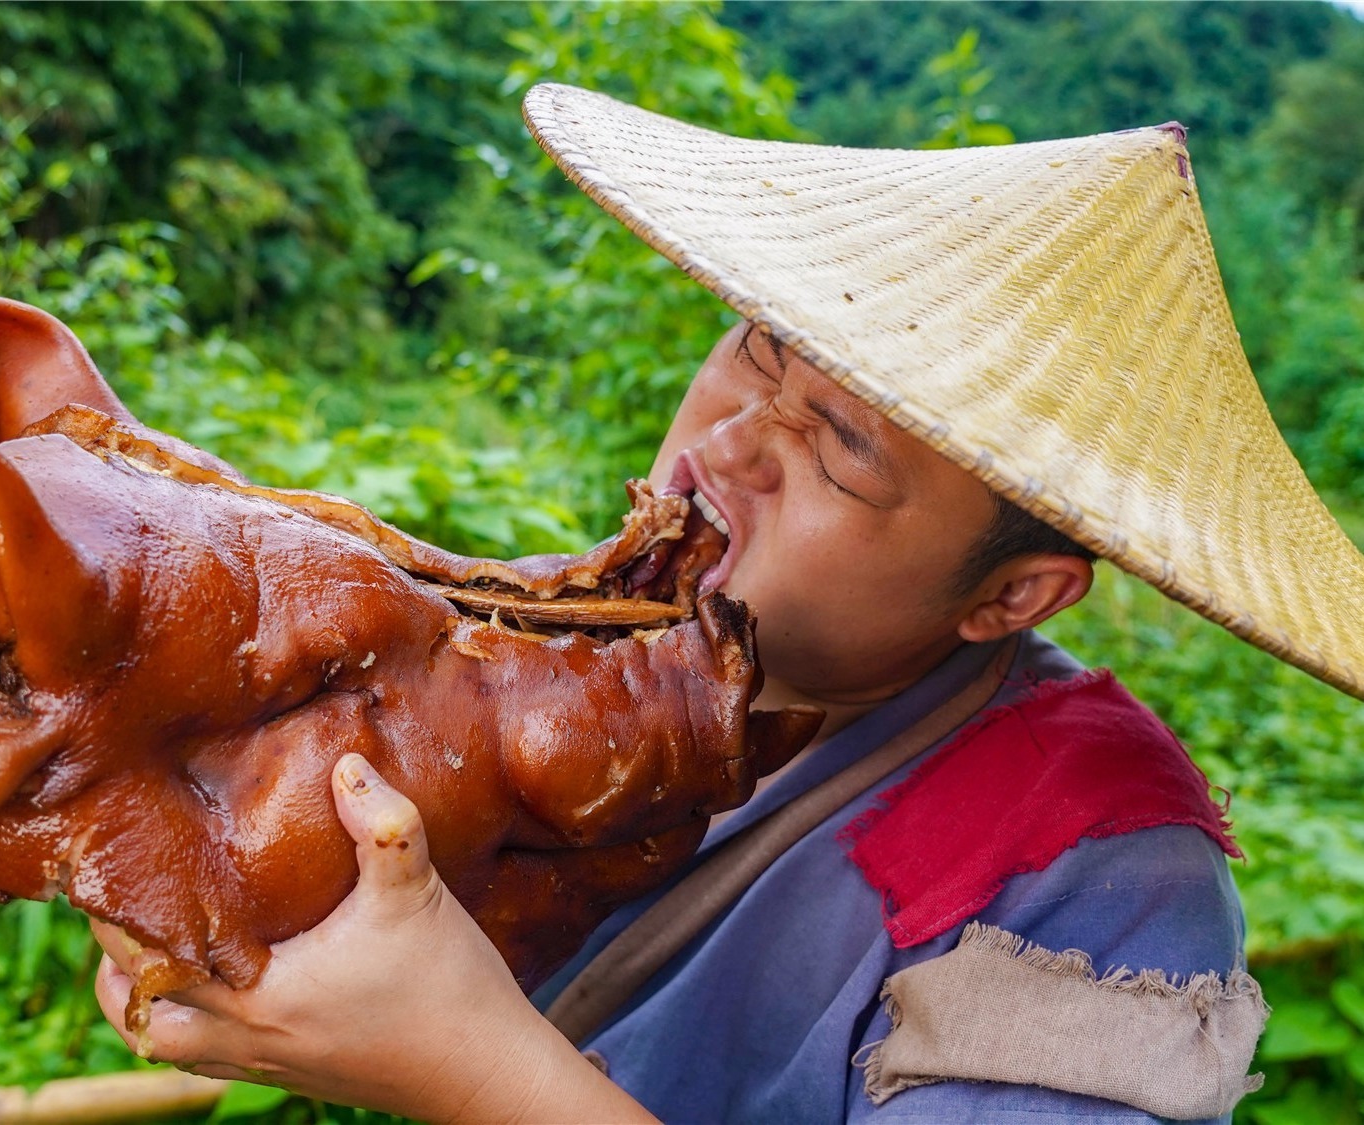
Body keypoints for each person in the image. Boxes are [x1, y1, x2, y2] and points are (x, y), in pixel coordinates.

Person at [91, 83, 1364, 1122]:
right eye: (755, 352)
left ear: (1014, 593)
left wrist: (466, 1067)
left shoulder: (1100, 869)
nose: (734, 445)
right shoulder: (605, 632)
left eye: (843, 447)